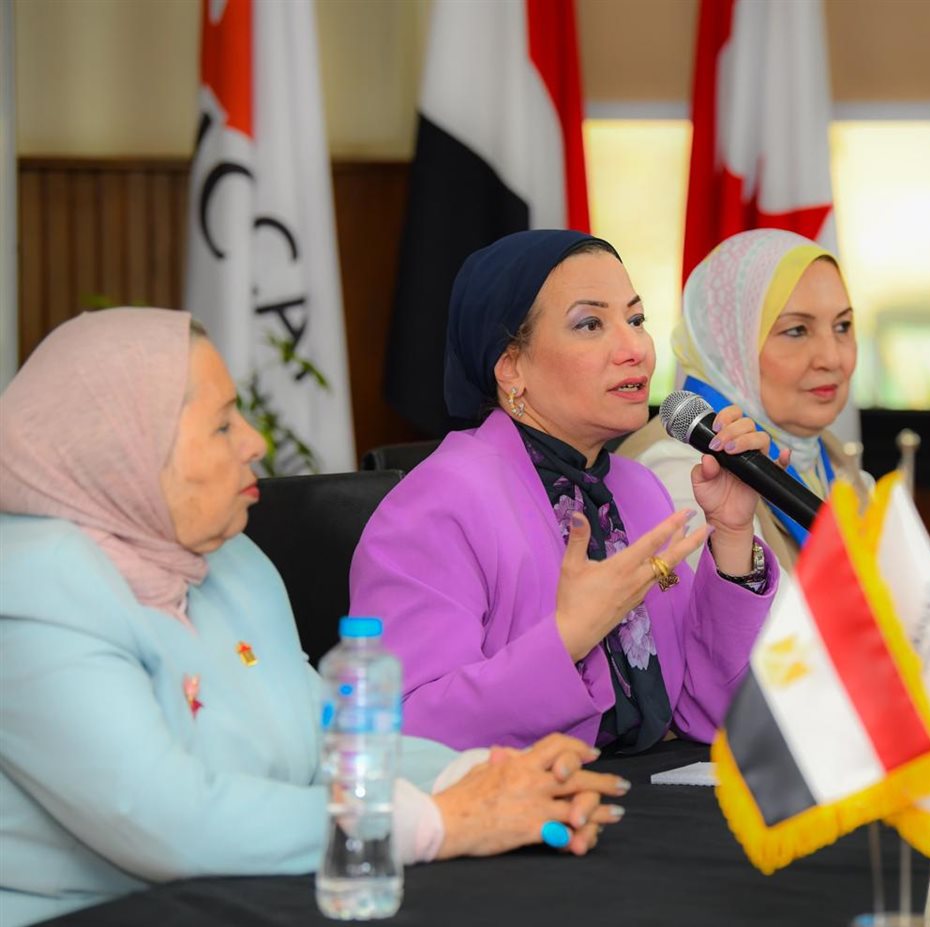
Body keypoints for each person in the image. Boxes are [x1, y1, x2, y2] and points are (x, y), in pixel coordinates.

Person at [0, 309, 625, 927]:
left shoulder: (232, 561)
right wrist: (442, 821)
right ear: (127, 451)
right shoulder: (32, 585)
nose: (256, 443)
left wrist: (490, 779)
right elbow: (165, 821)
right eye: (221, 425)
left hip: (248, 896)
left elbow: (324, 744)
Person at [349, 230, 780, 754]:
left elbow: (702, 708)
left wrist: (732, 534)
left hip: (642, 785)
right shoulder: (435, 505)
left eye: (636, 320)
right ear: (511, 367)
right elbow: (404, 728)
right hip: (510, 799)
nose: (635, 350)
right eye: (590, 324)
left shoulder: (636, 488)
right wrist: (569, 636)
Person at [619, 228, 858, 571]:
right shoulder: (680, 468)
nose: (832, 359)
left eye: (843, 326)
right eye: (796, 330)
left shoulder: (830, 456)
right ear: (729, 345)